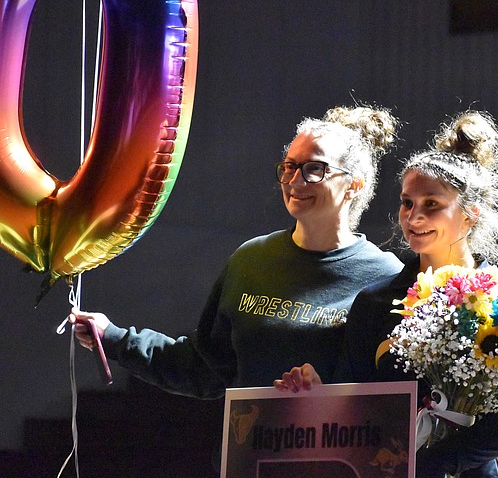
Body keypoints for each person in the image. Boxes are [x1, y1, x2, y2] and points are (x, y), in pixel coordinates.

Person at [278, 111, 498, 478]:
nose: (413, 217)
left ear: (469, 214)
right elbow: (355, 402)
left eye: (431, 205)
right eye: (406, 203)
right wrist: (314, 391)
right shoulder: (376, 302)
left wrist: (437, 465)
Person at [70, 105, 403, 398]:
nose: (295, 181)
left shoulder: (385, 277)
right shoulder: (251, 260)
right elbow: (205, 368)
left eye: (314, 169)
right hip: (250, 461)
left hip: (334, 463)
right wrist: (114, 338)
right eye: (289, 166)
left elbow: (387, 393)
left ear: (353, 185)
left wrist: (325, 397)